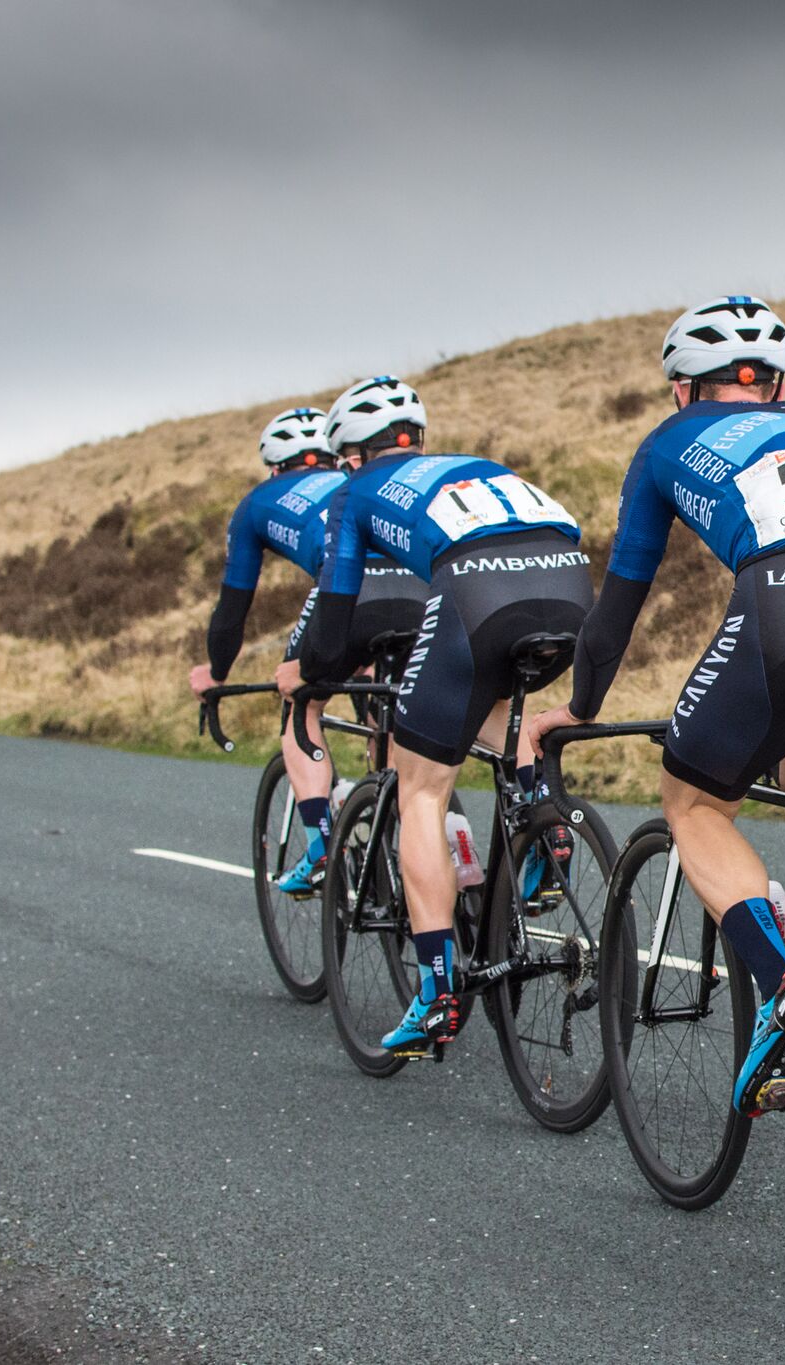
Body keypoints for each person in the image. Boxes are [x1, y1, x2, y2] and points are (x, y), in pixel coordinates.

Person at [521, 296, 785, 1116]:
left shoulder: (666, 444)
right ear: (776, 389)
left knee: (697, 800)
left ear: (682, 389)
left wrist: (579, 704)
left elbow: (620, 606)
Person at [278, 375, 592, 1054]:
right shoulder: (468, 471)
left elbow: (332, 637)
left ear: (351, 457)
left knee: (419, 786)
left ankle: (437, 987)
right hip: (569, 584)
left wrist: (303, 674)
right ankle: (543, 821)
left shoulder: (353, 493)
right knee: (496, 705)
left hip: (481, 588)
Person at [188, 408, 356, 893]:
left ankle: (322, 849)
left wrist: (217, 673)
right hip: (417, 584)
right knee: (389, 704)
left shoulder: (259, 501)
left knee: (298, 704)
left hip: (343, 588)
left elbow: (232, 606)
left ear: (275, 467)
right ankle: (403, 808)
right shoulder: (356, 478)